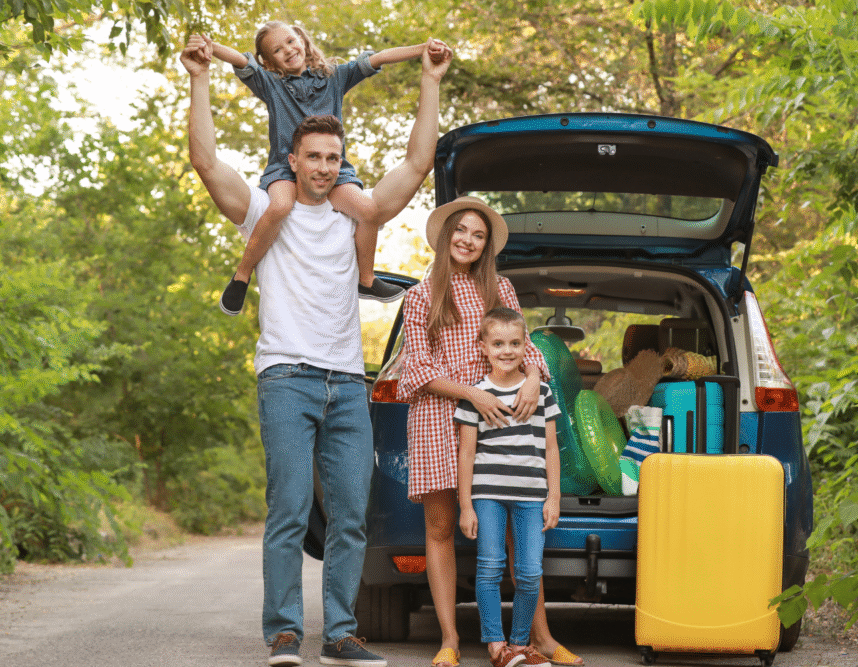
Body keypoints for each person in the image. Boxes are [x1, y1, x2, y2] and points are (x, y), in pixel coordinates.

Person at [180, 33, 452, 667]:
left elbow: (415, 165)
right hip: (287, 378)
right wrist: (199, 79)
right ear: (292, 159)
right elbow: (208, 163)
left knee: (352, 515)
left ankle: (340, 633)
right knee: (290, 508)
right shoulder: (261, 213)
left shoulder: (356, 214)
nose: (326, 166)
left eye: (335, 156)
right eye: (314, 157)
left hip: (347, 385)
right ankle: (282, 633)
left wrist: (430, 80)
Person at [397, 197, 584, 667]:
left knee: (518, 535)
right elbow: (414, 370)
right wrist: (472, 394)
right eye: (460, 231)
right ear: (445, 237)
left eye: (478, 235)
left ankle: (539, 637)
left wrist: (536, 378)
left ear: (486, 246)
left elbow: (528, 349)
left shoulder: (500, 288)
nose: (467, 240)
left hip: (501, 420)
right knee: (441, 528)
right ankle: (450, 641)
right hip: (439, 418)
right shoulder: (420, 296)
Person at [204, 23, 449, 314]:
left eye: (291, 41)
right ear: (268, 62)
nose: (288, 50)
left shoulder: (334, 78)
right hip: (285, 167)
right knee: (280, 206)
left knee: (368, 211)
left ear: (303, 41)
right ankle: (242, 275)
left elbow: (378, 58)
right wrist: (211, 47)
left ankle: (366, 279)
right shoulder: (271, 85)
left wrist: (422, 49)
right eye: (277, 50)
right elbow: (242, 61)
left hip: (334, 170)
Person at [455, 307, 561, 667]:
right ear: (483, 346)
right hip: (488, 495)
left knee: (530, 571)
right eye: (498, 343)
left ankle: (519, 644)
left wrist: (554, 497)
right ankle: (496, 645)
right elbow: (466, 453)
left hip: (532, 496)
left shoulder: (541, 393)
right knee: (489, 567)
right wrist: (466, 505)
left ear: (524, 346)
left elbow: (550, 448)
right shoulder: (475, 396)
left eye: (515, 343)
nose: (506, 350)